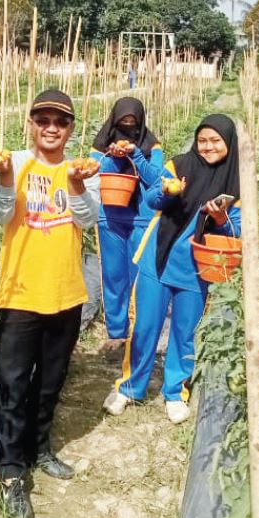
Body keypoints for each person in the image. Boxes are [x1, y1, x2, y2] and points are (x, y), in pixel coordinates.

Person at [0, 89, 100, 518]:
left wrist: (74, 187)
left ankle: (39, 447)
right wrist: (0, 178)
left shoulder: (82, 170)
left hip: (66, 292)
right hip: (19, 293)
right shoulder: (12, 163)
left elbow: (89, 220)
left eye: (61, 121)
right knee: (12, 385)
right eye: (43, 120)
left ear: (70, 129)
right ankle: (11, 472)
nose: (51, 127)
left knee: (50, 382)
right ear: (30, 124)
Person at [103, 114, 241, 424]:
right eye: (202, 140)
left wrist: (220, 219)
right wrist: (168, 191)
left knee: (185, 331)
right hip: (158, 257)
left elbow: (238, 233)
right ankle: (129, 387)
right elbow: (152, 199)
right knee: (145, 327)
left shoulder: (237, 183)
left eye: (215, 141)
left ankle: (175, 392)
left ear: (228, 143)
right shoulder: (180, 164)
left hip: (197, 268)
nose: (207, 147)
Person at [90, 97, 162, 351]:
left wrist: (137, 156)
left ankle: (138, 330)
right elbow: (94, 171)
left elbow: (157, 179)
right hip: (109, 217)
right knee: (113, 275)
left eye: (133, 123)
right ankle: (117, 331)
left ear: (141, 122)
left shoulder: (152, 145)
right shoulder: (102, 144)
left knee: (139, 276)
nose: (128, 128)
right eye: (123, 123)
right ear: (114, 120)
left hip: (141, 217)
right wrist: (114, 156)